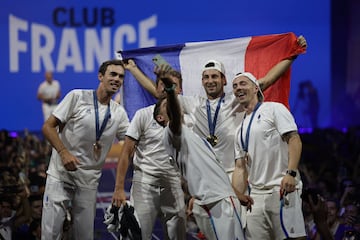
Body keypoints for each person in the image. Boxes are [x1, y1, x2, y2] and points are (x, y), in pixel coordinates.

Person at [41, 59, 130, 240]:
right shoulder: (77, 97)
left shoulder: (119, 113)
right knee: (50, 235)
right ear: (100, 76)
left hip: (89, 182)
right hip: (61, 176)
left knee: (84, 236)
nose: (117, 79)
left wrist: (120, 186)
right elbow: (48, 127)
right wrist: (64, 153)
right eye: (112, 74)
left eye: (121, 76)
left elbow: (130, 145)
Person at [157, 73, 252, 240]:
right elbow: (173, 111)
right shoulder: (172, 134)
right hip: (216, 202)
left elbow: (213, 172)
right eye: (169, 106)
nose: (176, 106)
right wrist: (171, 90)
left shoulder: (192, 137)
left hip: (217, 198)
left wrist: (237, 194)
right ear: (161, 117)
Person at [111, 67, 187, 240]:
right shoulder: (143, 115)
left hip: (173, 186)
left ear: (180, 90)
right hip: (144, 185)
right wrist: (118, 189)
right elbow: (126, 152)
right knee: (136, 236)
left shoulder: (188, 117)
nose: (167, 89)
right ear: (156, 88)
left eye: (172, 85)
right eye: (162, 84)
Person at [231, 72, 307, 239]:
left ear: (256, 88)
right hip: (255, 197)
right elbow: (240, 167)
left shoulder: (274, 108)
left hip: (281, 188)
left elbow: (294, 139)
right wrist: (238, 196)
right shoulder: (239, 129)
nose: (238, 88)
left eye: (243, 83)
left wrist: (291, 173)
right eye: (235, 86)